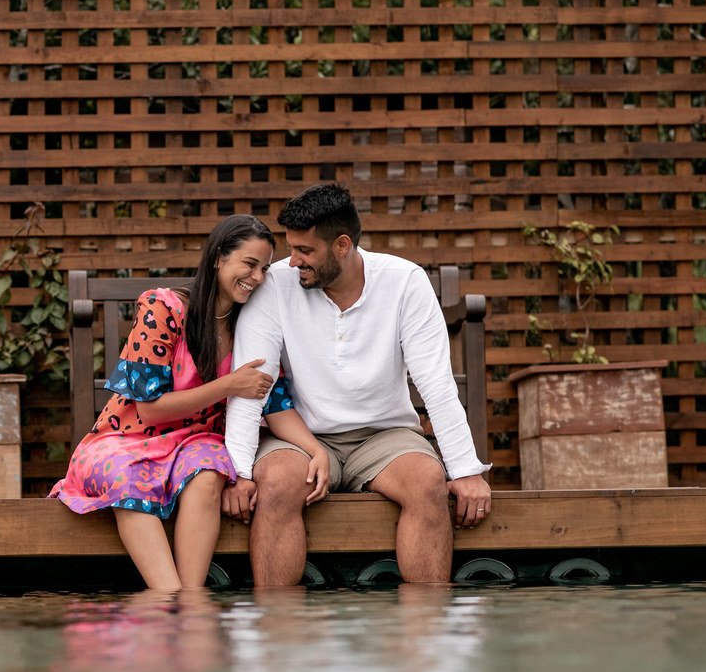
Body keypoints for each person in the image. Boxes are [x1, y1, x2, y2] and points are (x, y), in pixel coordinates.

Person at [222, 183, 492, 584]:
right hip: (303, 438)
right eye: (291, 248)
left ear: (342, 245)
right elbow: (252, 385)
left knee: (428, 482)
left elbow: (435, 382)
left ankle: (427, 638)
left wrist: (466, 470)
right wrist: (239, 472)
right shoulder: (276, 284)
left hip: (385, 436)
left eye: (305, 251)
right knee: (276, 483)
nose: (292, 261)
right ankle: (277, 638)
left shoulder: (404, 282)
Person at [51, 214, 329, 591]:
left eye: (264, 268)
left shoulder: (251, 323)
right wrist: (229, 385)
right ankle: (169, 595)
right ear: (218, 257)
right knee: (126, 477)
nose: (258, 278)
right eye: (249, 264)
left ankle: (192, 597)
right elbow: (148, 408)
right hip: (127, 440)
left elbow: (274, 404)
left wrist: (315, 450)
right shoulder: (163, 309)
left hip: (196, 442)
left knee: (208, 472)